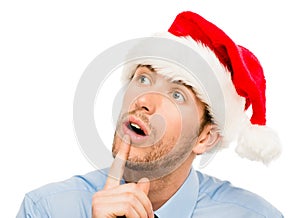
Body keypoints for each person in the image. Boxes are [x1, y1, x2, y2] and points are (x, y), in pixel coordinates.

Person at [17, 11, 283, 217]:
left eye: (177, 95)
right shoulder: (45, 209)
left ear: (206, 138)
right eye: (143, 79)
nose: (144, 100)